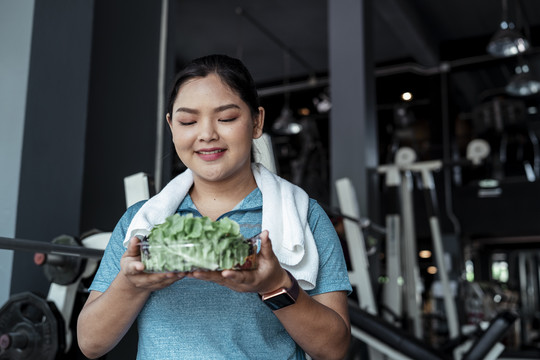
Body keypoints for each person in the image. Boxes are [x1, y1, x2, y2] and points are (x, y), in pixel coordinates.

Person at [77, 54, 352, 360]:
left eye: (227, 118)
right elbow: (90, 343)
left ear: (257, 121)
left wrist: (275, 286)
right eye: (188, 121)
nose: (206, 134)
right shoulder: (142, 225)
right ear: (171, 126)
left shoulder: (305, 218)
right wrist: (132, 285)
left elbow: (335, 350)